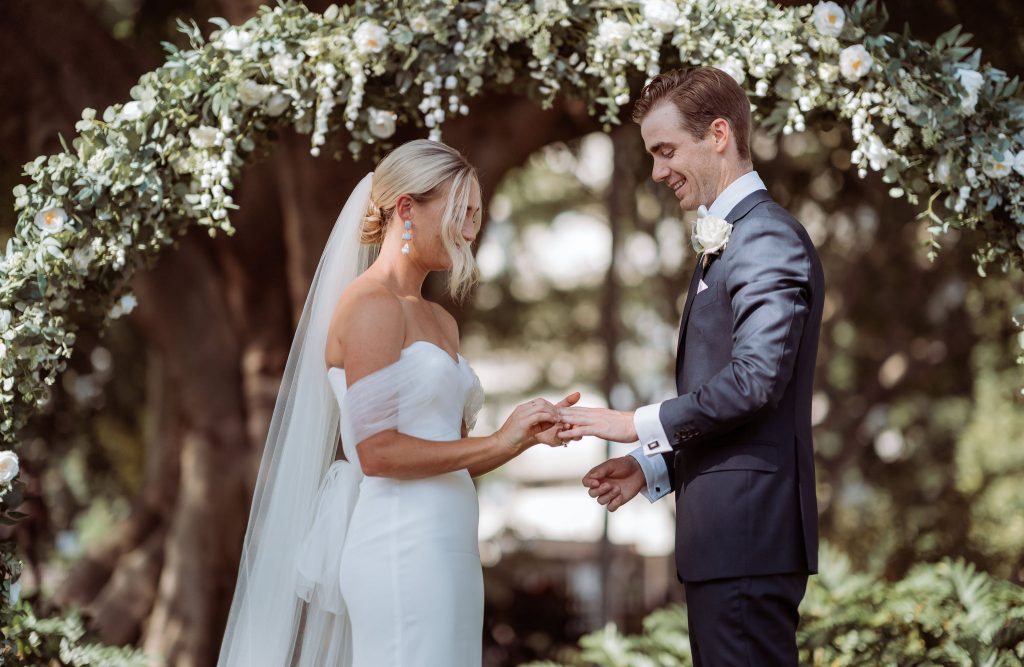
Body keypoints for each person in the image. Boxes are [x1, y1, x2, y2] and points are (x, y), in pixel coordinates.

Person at [217, 139, 578, 667]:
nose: (472, 228)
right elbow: (377, 452)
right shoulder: (371, 304)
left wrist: (521, 439)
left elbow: (450, 450)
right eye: (460, 211)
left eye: (477, 213)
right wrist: (501, 438)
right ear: (407, 207)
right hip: (400, 547)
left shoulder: (440, 320)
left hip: (450, 542)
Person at [558, 67, 825, 667]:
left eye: (666, 150)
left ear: (720, 134)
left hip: (748, 542)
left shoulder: (765, 239)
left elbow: (756, 381)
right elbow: (728, 397)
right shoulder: (732, 240)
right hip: (727, 544)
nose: (657, 171)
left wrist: (633, 424)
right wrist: (655, 465)